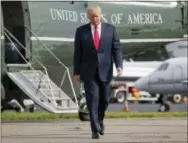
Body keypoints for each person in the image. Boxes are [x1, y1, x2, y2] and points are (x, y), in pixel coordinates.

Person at [73, 6, 123, 139]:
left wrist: (119, 65)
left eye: (96, 16)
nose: (95, 19)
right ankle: (94, 129)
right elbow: (77, 53)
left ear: (101, 15)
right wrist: (76, 72)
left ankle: (100, 121)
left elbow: (116, 49)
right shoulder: (81, 31)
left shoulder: (110, 29)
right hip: (88, 72)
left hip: (106, 71)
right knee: (92, 99)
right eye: (92, 17)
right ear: (88, 17)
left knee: (105, 100)